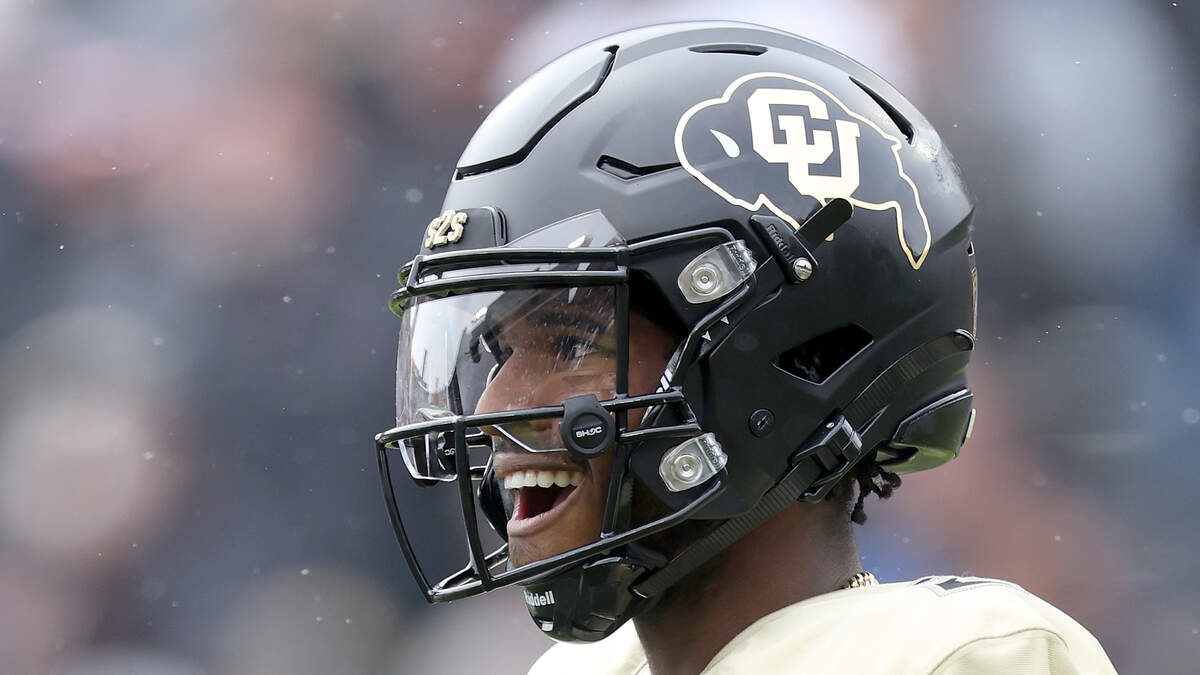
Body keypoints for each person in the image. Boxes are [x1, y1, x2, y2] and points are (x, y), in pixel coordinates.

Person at [375, 21, 1118, 674]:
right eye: (499, 353)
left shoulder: (954, 660)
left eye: (570, 344)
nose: (498, 402)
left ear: (792, 355)